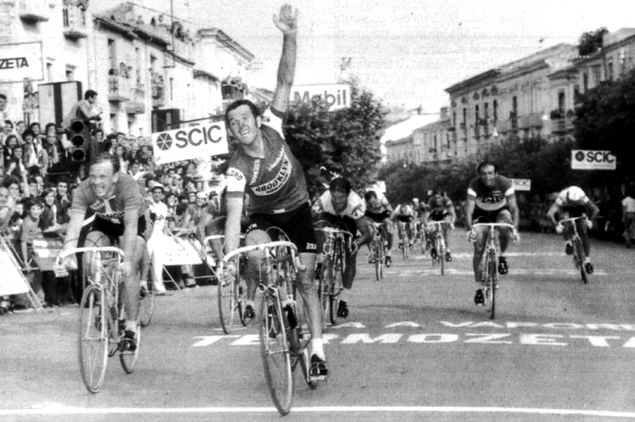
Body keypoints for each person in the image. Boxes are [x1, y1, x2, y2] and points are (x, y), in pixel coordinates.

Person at [223, 4, 327, 380]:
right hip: (265, 217)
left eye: (245, 118)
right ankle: (280, 302)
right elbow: (235, 216)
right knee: (255, 253)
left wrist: (290, 35)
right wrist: (230, 258)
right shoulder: (236, 167)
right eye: (233, 124)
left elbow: (284, 80)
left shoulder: (273, 128)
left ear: (255, 119)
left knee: (306, 280)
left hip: (298, 210)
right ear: (232, 133)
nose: (241, 125)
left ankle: (317, 351)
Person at [60, 153, 148, 351]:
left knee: (129, 265)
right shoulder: (83, 189)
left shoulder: (128, 186)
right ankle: (106, 301)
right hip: (104, 223)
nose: (96, 182)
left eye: (103, 177)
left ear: (115, 177)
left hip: (130, 224)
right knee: (89, 257)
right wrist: (68, 253)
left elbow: (131, 226)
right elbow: (74, 225)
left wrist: (126, 261)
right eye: (93, 176)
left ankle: (131, 326)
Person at [312, 177, 371, 318]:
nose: (337, 200)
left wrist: (357, 243)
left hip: (349, 220)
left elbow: (367, 234)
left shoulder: (355, 204)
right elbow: (309, 222)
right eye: (334, 196)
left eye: (342, 196)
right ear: (329, 193)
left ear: (348, 195)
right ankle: (322, 261)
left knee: (350, 255)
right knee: (317, 227)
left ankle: (343, 301)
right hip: (329, 216)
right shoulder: (323, 201)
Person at [464, 160, 519, 305]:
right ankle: (479, 287)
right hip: (481, 213)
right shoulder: (474, 184)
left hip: (500, 211)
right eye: (483, 174)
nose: (487, 177)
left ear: (496, 174)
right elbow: (469, 209)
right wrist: (470, 230)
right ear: (479, 175)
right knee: (478, 248)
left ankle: (502, 256)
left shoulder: (504, 183)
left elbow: (514, 208)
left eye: (490, 173)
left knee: (505, 225)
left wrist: (515, 229)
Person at [546, 186, 599, 273]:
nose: (572, 203)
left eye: (575, 202)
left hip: (579, 210)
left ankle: (588, 261)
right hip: (566, 211)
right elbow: (550, 214)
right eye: (571, 201)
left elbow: (595, 209)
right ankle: (568, 243)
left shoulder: (581, 195)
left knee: (583, 231)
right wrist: (556, 225)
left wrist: (590, 221)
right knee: (565, 219)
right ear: (567, 196)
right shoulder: (562, 196)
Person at [422, 189, 456, 262]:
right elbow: (426, 215)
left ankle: (448, 251)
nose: (437, 200)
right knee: (431, 229)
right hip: (433, 216)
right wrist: (426, 224)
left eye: (439, 197)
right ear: (433, 197)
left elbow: (452, 213)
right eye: (435, 197)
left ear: (443, 197)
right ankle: (434, 247)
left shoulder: (447, 200)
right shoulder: (431, 201)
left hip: (444, 215)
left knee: (447, 230)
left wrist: (452, 223)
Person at [147, 183, 168, 294]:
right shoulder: (148, 205)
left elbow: (164, 223)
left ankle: (159, 287)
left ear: (162, 195)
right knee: (145, 262)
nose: (157, 195)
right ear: (151, 193)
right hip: (149, 236)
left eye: (159, 193)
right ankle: (143, 287)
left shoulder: (164, 207)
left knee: (158, 263)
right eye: (155, 192)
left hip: (159, 236)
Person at [363, 190, 394, 267]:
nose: (373, 204)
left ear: (376, 198)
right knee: (367, 229)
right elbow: (360, 216)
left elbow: (391, 211)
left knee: (389, 229)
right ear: (366, 202)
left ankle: (388, 253)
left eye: (374, 202)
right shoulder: (362, 202)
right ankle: (371, 251)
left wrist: (390, 221)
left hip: (382, 214)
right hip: (370, 215)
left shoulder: (382, 198)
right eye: (370, 203)